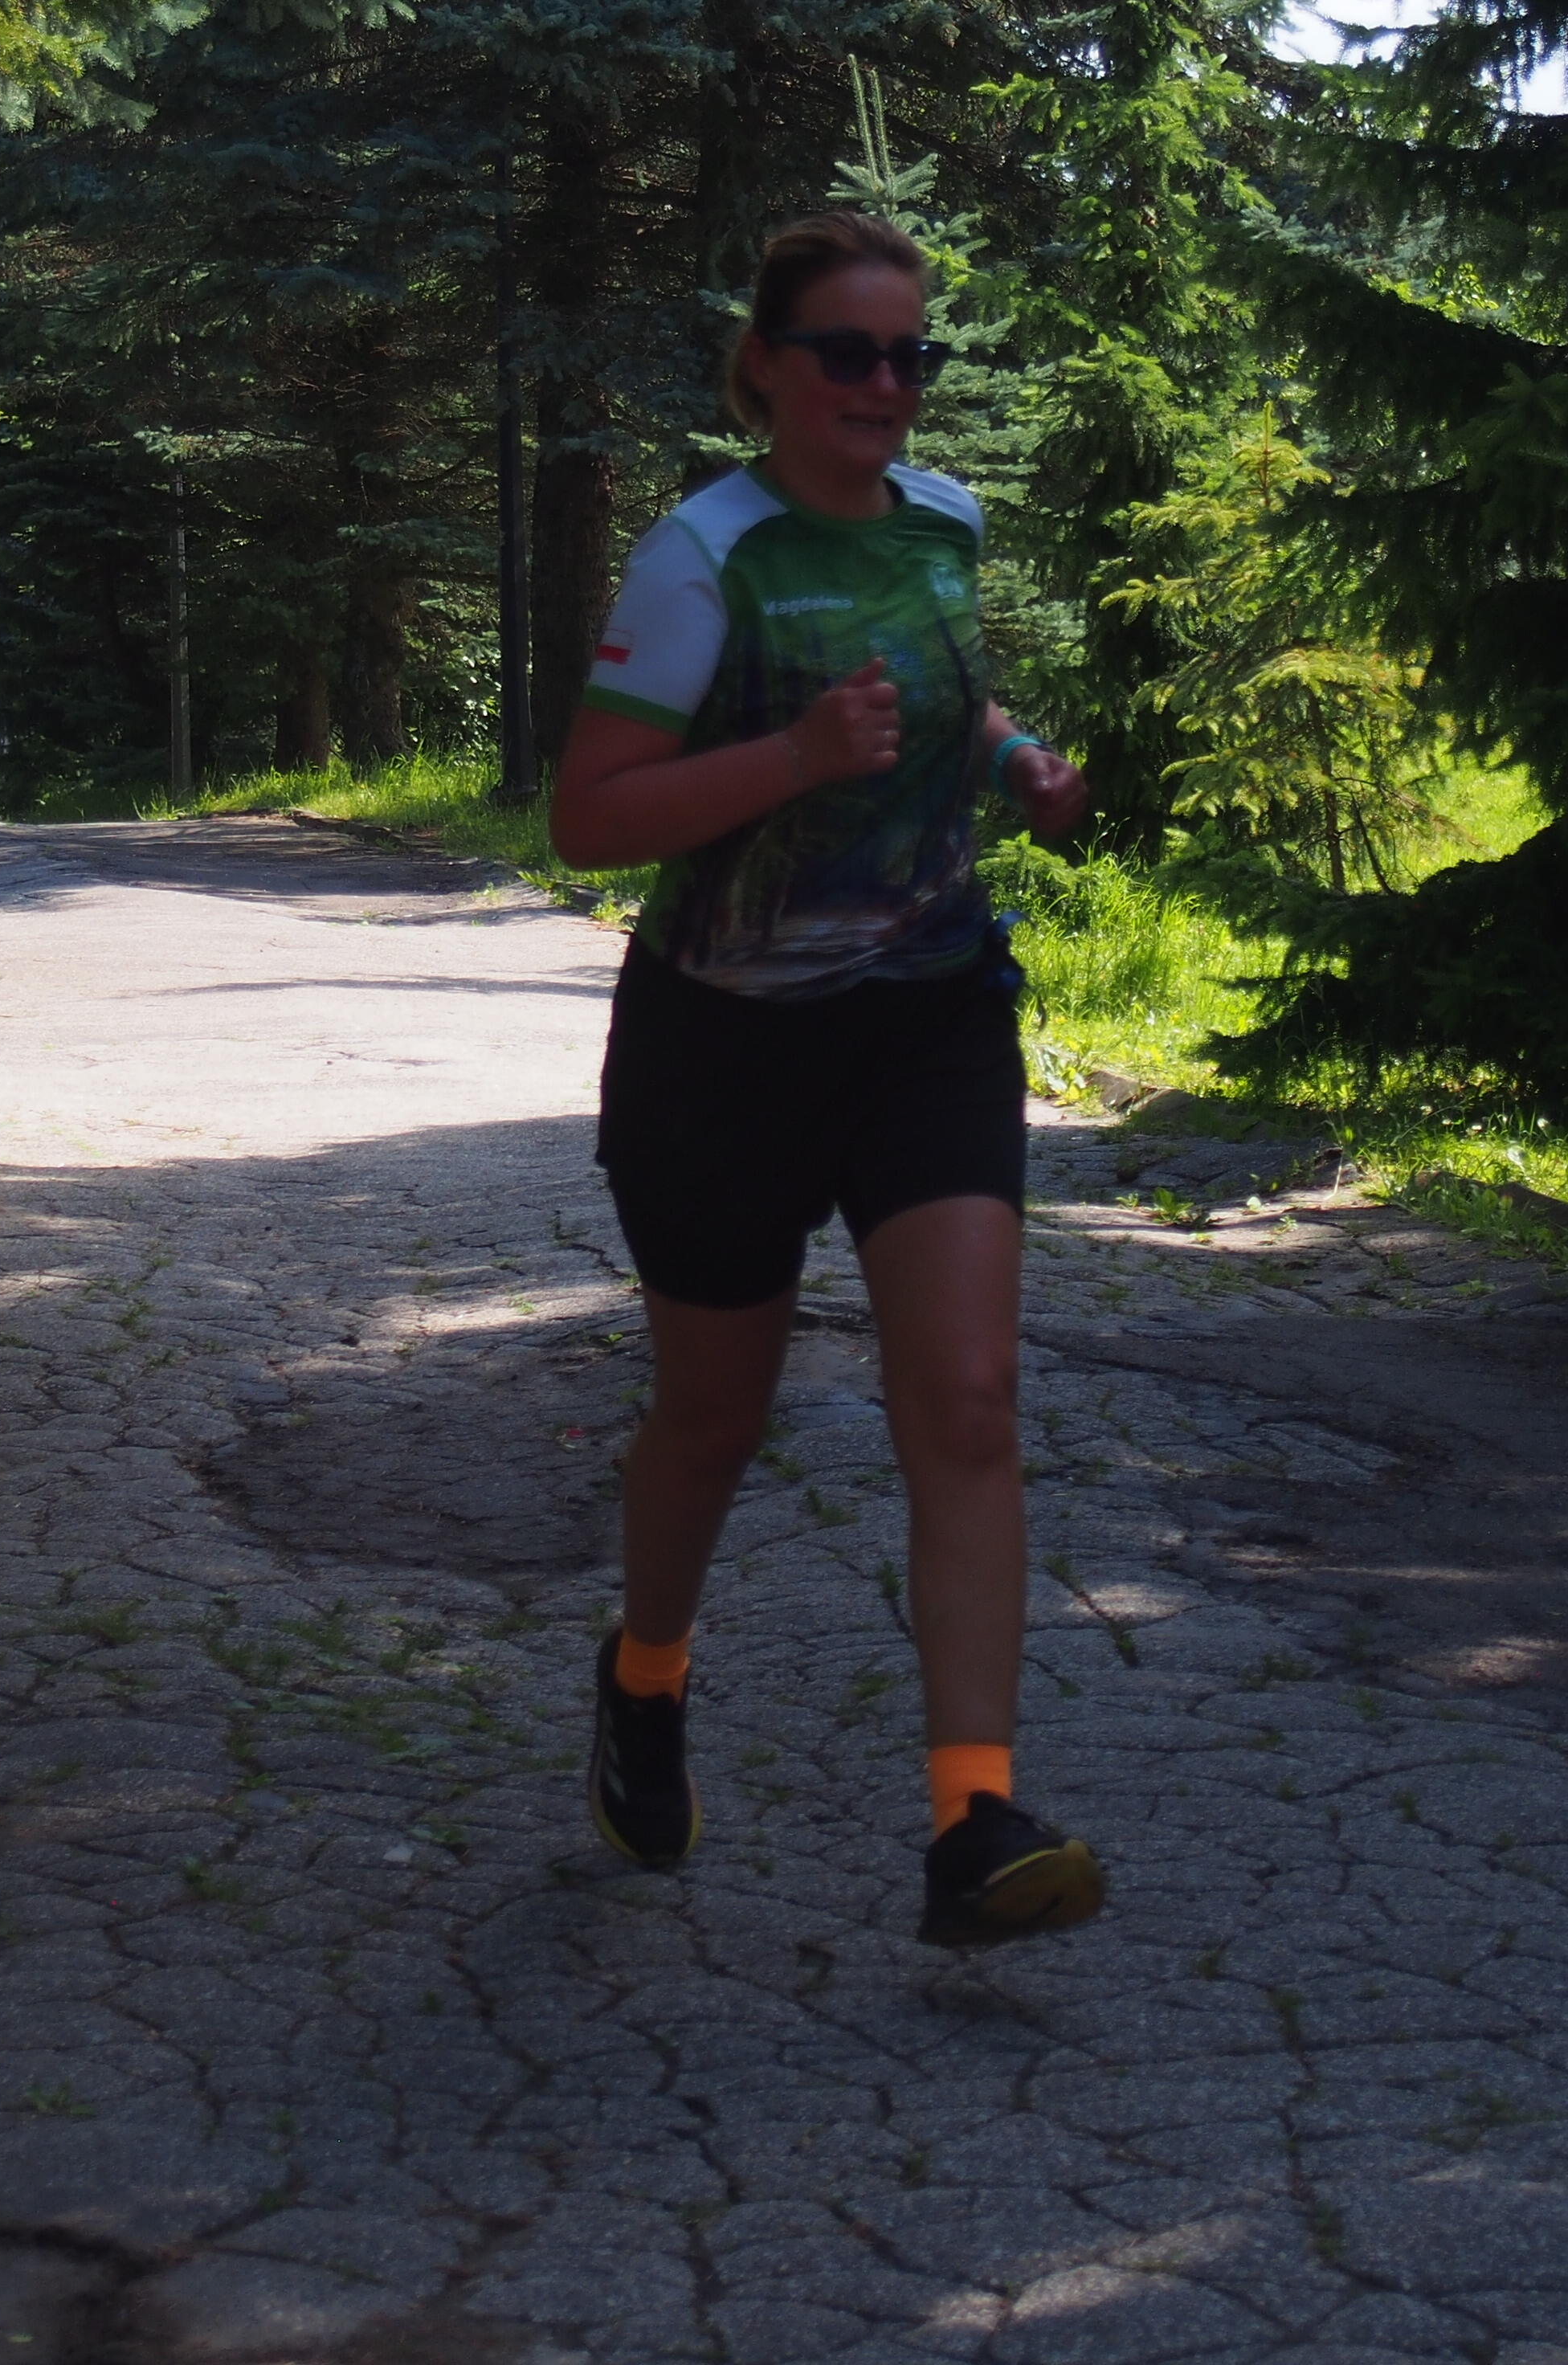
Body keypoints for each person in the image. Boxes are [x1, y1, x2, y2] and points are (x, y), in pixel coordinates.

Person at [548, 208, 1101, 1950]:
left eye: (909, 355)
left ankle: (972, 1821)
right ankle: (646, 1676)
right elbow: (589, 817)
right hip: (724, 1042)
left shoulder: (945, 524)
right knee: (715, 1417)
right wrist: (790, 757)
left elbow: (948, 696)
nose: (885, 384)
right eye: (848, 352)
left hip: (927, 1015)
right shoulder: (701, 558)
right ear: (767, 367)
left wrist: (1015, 761)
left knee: (971, 1397)